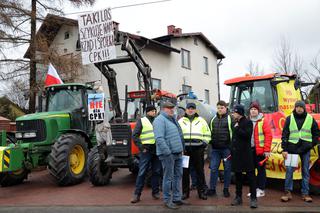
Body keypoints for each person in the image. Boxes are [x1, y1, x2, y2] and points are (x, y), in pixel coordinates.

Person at [281, 100, 319, 203]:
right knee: (289, 170)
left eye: (301, 107)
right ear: (295, 108)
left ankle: (305, 194)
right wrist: (284, 149)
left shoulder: (310, 119)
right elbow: (285, 134)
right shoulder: (289, 119)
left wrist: (311, 144)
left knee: (305, 171)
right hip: (292, 149)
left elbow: (316, 133)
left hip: (305, 149)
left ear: (304, 108)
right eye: (297, 107)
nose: (299, 108)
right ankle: (287, 193)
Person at [153, 101, 185, 209]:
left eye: (172, 108)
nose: (172, 109)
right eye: (169, 108)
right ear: (163, 109)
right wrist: (168, 153)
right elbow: (159, 139)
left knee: (178, 176)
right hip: (168, 154)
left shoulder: (172, 119)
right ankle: (167, 200)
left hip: (177, 153)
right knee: (168, 178)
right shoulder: (159, 120)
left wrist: (181, 149)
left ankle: (176, 198)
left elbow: (178, 135)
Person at [178, 102, 211, 200]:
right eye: (189, 108)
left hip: (198, 150)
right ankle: (185, 193)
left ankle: (201, 192)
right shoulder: (181, 121)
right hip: (185, 150)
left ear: (195, 110)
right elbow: (177, 135)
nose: (190, 110)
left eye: (192, 108)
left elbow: (208, 133)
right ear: (186, 110)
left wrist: (204, 143)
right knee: (185, 172)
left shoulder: (201, 121)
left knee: (199, 171)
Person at [131, 105, 161, 203]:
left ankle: (155, 192)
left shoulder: (158, 121)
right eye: (152, 111)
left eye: (155, 111)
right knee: (142, 172)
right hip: (146, 150)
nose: (154, 112)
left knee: (156, 171)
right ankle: (137, 194)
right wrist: (141, 147)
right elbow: (135, 135)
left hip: (156, 149)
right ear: (147, 112)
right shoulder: (142, 120)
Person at [230, 104, 257, 209]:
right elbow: (234, 138)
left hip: (246, 154)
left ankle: (253, 199)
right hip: (236, 155)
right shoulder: (235, 123)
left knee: (251, 177)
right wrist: (231, 148)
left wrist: (237, 129)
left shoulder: (248, 122)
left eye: (235, 112)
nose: (233, 114)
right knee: (238, 177)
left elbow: (247, 135)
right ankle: (238, 197)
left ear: (239, 113)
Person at [208, 100, 234, 198]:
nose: (220, 109)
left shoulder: (230, 118)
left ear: (225, 108)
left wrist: (231, 147)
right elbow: (210, 133)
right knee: (213, 169)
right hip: (215, 150)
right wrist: (211, 143)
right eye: (218, 108)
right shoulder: (213, 119)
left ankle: (226, 189)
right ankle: (212, 189)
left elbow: (233, 133)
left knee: (227, 169)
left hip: (226, 149)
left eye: (222, 108)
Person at [248, 101, 272, 198]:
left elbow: (268, 136)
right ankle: (254, 190)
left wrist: (266, 150)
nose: (253, 111)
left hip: (260, 151)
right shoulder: (247, 121)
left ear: (258, 111)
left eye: (255, 109)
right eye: (252, 109)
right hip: (250, 150)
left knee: (261, 171)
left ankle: (261, 190)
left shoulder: (263, 121)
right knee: (251, 171)